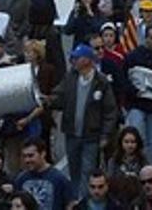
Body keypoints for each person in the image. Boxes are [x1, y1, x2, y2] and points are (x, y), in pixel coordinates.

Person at [31, 44, 117, 197]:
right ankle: (76, 198)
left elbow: (110, 110)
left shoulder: (101, 82)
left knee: (88, 169)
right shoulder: (70, 77)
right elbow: (59, 95)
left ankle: (85, 201)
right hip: (72, 133)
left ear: (87, 60)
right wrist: (49, 100)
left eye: (77, 58)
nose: (73, 61)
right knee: (74, 169)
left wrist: (105, 135)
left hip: (92, 134)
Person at [122, 25, 152, 164]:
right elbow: (124, 78)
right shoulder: (133, 56)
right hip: (136, 104)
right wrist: (133, 91)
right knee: (137, 140)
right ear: (145, 38)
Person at [13, 138, 71, 210]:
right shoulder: (21, 179)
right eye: (24, 156)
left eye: (31, 155)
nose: (27, 160)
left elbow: (69, 205)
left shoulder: (60, 179)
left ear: (43, 154)